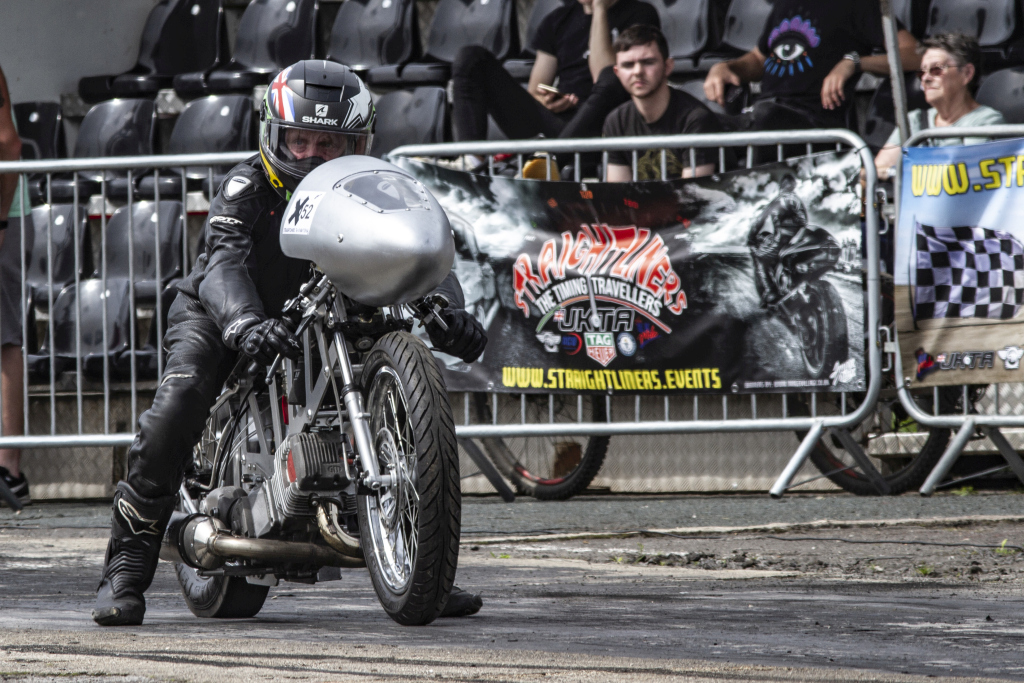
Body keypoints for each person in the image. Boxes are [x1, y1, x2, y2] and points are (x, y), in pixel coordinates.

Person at [92, 61, 488, 627]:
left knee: (389, 352)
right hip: (226, 312)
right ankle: (126, 566)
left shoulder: (378, 187)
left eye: (328, 143)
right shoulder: (246, 187)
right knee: (181, 398)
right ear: (273, 136)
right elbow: (224, 264)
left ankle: (423, 563)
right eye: (299, 140)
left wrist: (447, 310)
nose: (310, 155)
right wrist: (245, 322)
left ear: (358, 143)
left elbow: (417, 246)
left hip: (330, 310)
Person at [451, 0, 660, 149]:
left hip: (601, 127)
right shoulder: (557, 20)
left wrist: (599, 9)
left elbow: (604, 77)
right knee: (471, 58)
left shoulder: (639, 13)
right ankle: (472, 161)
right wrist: (547, 100)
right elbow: (536, 89)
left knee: (611, 77)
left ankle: (554, 158)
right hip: (557, 126)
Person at [704, 0, 921, 140]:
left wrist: (854, 62)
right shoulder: (784, 5)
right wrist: (726, 67)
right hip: (764, 117)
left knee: (765, 117)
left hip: (815, 124)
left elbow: (916, 54)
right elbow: (759, 59)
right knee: (700, 121)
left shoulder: (858, 4)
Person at [874, 33, 1004, 181]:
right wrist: (891, 172)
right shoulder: (915, 120)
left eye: (936, 70)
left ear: (967, 73)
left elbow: (968, 176)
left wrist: (900, 173)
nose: (925, 78)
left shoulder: (987, 122)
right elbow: (872, 172)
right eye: (921, 72)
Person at [603, 25, 722, 181]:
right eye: (628, 65)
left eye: (648, 62)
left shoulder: (696, 119)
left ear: (667, 67)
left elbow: (692, 193)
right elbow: (619, 192)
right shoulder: (616, 121)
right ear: (617, 73)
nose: (637, 71)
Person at [0, 62, 26, 507]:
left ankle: (9, 469)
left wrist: (0, 219)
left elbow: (8, 143)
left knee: (3, 336)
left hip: (2, 213)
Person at [748, 174, 806, 306]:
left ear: (782, 186)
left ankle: (771, 291)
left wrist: (751, 237)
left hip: (783, 239)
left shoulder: (780, 200)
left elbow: (760, 220)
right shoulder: (797, 200)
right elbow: (803, 221)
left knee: (760, 257)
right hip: (799, 238)